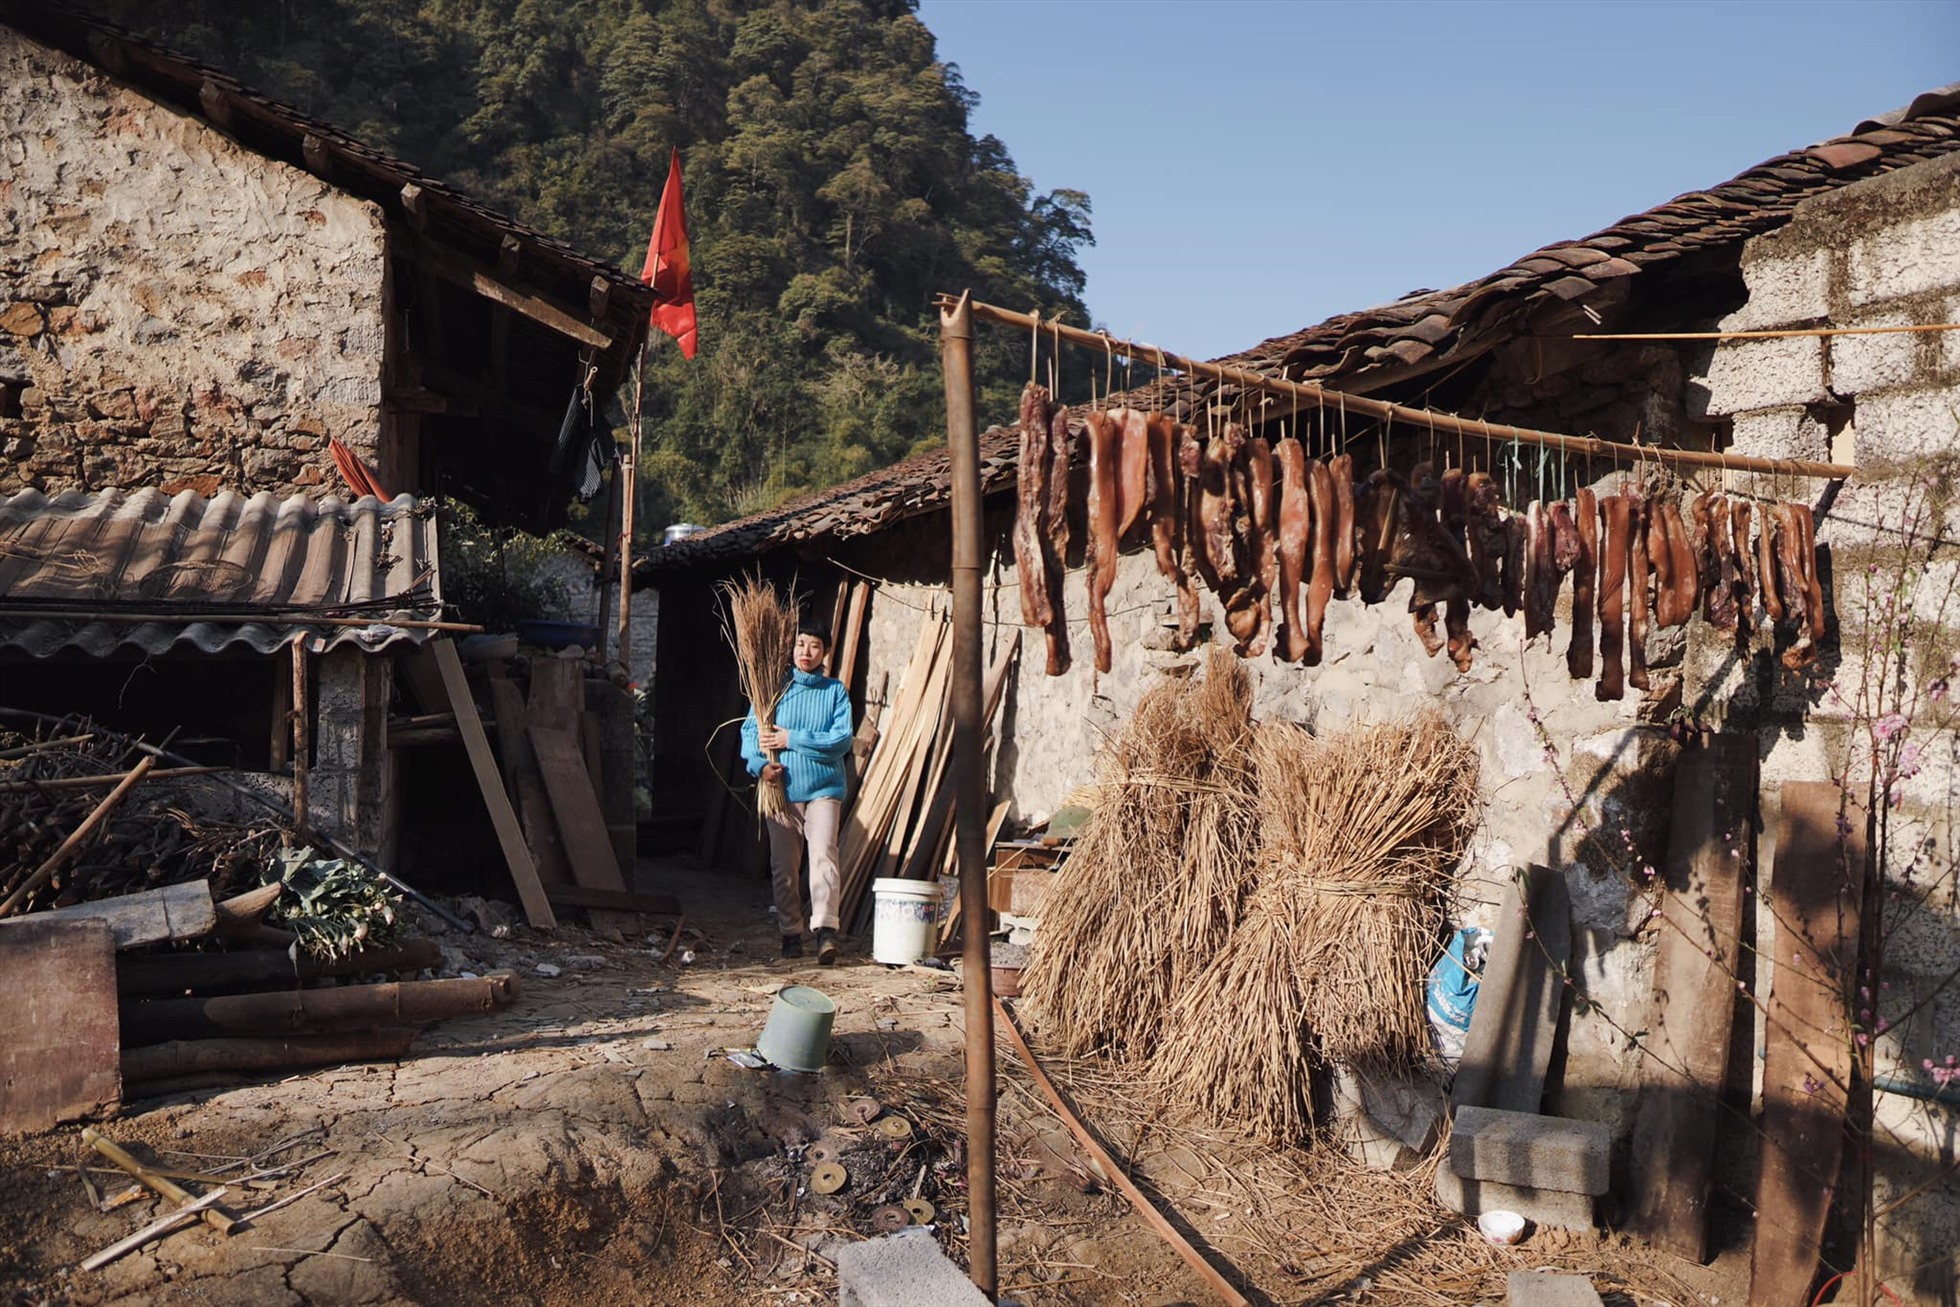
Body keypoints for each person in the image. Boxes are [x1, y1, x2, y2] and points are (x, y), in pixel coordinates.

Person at [741, 624, 854, 964]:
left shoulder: (835, 692)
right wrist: (760, 767)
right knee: (784, 866)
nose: (806, 652)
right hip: (781, 790)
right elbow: (750, 734)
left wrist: (793, 740)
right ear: (790, 649)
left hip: (824, 788)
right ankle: (791, 932)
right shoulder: (773, 689)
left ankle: (825, 932)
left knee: (823, 857)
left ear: (825, 652)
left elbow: (841, 741)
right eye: (800, 644)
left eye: (814, 646)